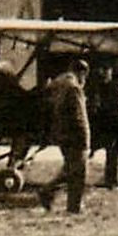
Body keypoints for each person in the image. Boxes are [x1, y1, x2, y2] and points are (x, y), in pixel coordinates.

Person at [38, 59, 91, 214]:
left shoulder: (58, 83)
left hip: (62, 133)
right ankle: (73, 205)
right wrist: (85, 137)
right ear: (81, 73)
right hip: (75, 134)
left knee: (70, 168)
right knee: (78, 172)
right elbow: (79, 115)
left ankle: (49, 192)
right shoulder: (74, 88)